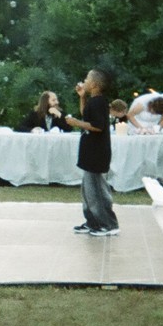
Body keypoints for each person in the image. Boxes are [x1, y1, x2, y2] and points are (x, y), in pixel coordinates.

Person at [65, 69, 119, 237]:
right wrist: (82, 97)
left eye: (87, 78)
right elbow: (86, 116)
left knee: (97, 191)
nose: (84, 80)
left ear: (95, 85)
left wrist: (76, 123)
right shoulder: (93, 101)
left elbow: (98, 126)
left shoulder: (99, 102)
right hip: (90, 152)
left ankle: (108, 224)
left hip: (97, 153)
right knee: (88, 191)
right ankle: (92, 222)